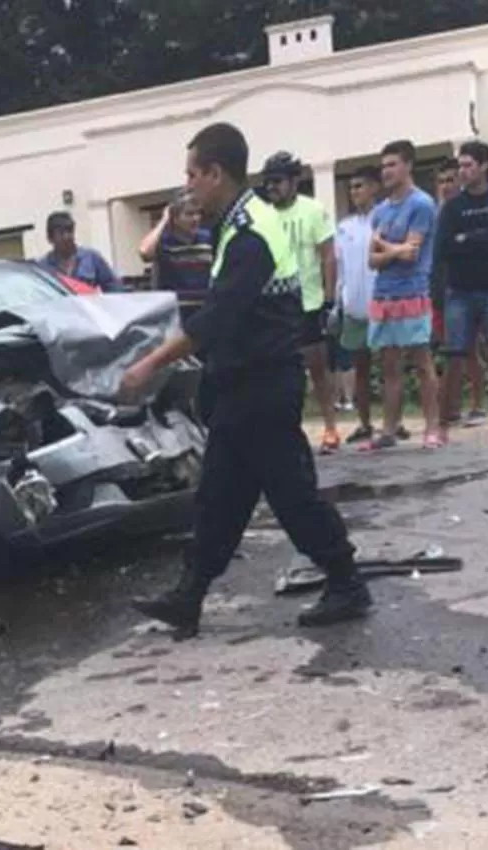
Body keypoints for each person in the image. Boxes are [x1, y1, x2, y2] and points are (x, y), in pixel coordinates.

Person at [120, 122, 371, 639]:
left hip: (263, 384)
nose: (187, 184)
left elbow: (216, 319)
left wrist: (149, 364)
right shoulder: (236, 222)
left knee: (291, 494)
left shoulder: (251, 234)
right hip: (242, 385)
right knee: (220, 496)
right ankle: (189, 594)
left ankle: (346, 581)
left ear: (216, 173)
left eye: (192, 174)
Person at [434, 141, 488, 443]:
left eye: (469, 165)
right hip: (460, 290)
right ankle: (443, 426)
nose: (463, 171)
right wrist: (482, 240)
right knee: (454, 358)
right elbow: (444, 246)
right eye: (460, 166)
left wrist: (468, 239)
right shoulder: (453, 206)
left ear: (485, 165)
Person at [262, 151, 341, 453]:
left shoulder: (312, 210)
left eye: (278, 181)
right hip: (275, 305)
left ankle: (331, 427)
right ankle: (287, 432)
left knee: (318, 369)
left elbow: (327, 255)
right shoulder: (264, 215)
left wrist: (329, 298)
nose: (273, 187)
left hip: (308, 302)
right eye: (268, 182)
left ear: (294, 181)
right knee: (280, 374)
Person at [366, 140, 443, 450]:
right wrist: (392, 250)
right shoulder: (380, 211)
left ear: (408, 165)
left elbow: (412, 254)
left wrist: (387, 247)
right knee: (389, 365)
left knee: (422, 361)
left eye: (392, 164)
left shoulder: (421, 204)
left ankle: (432, 428)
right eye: (384, 166)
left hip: (412, 290)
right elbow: (372, 260)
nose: (387, 171)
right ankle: (389, 429)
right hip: (384, 293)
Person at [335, 166, 381, 444]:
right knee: (360, 366)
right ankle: (364, 422)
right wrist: (339, 301)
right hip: (354, 306)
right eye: (351, 187)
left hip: (382, 303)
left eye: (360, 186)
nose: (355, 192)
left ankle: (393, 422)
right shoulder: (344, 227)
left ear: (374, 187)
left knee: (390, 365)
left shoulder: (385, 219)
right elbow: (340, 267)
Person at [138, 192, 213, 297]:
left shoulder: (208, 239)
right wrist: (164, 220)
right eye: (189, 214)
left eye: (198, 213)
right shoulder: (163, 241)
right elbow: (145, 252)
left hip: (203, 306)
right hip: (175, 308)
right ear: (175, 218)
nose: (196, 218)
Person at [39, 211, 122, 292]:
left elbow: (114, 288)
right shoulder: (43, 267)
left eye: (70, 231)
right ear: (50, 238)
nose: (67, 236)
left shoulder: (92, 258)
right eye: (61, 233)